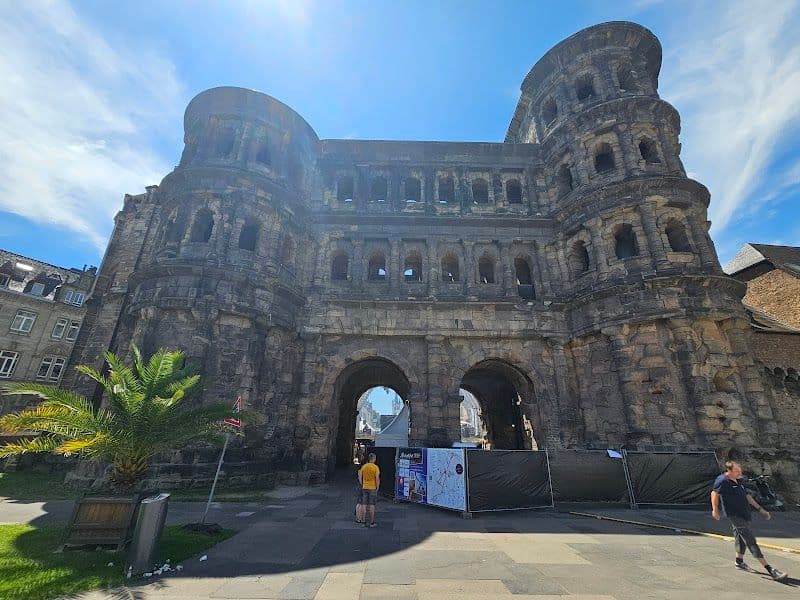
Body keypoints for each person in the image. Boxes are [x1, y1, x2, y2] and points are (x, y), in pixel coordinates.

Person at [711, 460, 787, 581]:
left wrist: (761, 509)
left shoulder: (739, 480)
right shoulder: (722, 481)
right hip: (734, 514)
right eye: (736, 470)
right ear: (729, 471)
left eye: (739, 470)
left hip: (744, 513)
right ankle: (770, 569)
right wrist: (715, 509)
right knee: (749, 539)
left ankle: (739, 561)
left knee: (739, 536)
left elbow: (747, 496)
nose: (739, 472)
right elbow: (714, 494)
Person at [358, 452, 380, 528]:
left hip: (364, 487)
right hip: (372, 488)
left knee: (364, 505)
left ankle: (363, 522)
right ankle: (372, 522)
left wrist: (362, 484)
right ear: (374, 459)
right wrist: (377, 487)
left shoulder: (364, 466)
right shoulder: (375, 467)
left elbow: (360, 477)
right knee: (372, 505)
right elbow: (377, 478)